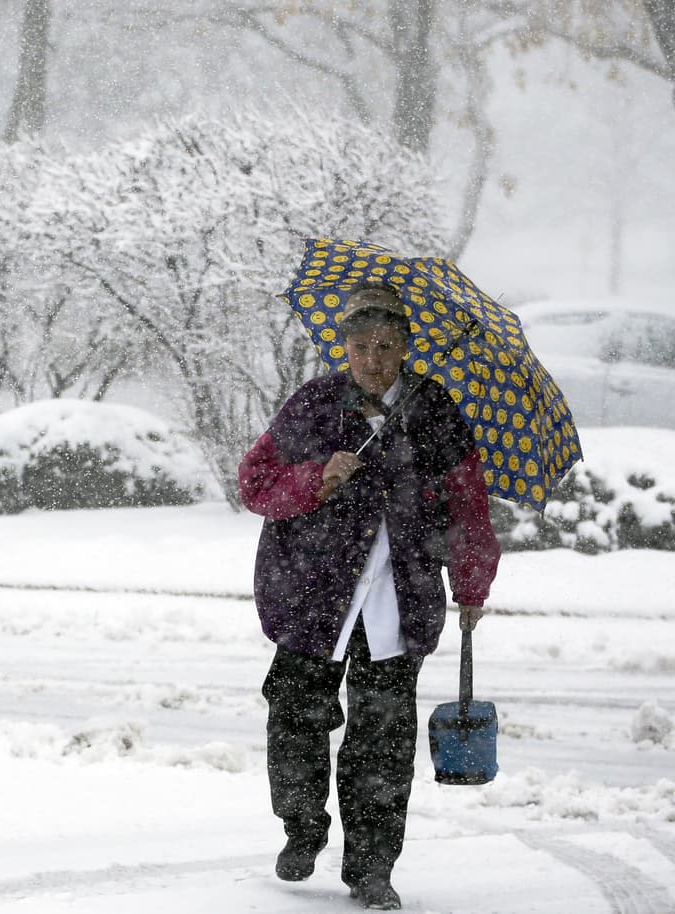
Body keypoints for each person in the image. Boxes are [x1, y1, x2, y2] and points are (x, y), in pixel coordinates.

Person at [238, 284, 501, 910]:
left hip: (397, 602)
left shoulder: (434, 412)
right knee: (295, 725)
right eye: (361, 346)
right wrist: (315, 478)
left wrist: (471, 583)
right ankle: (302, 830)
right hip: (310, 597)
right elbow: (254, 485)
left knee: (381, 745)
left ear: (406, 346)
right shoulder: (313, 407)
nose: (373, 359)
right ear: (344, 346)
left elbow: (469, 508)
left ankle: (372, 870)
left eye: (385, 346)